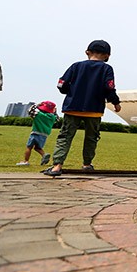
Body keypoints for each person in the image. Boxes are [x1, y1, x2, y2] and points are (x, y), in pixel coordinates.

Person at [43, 40, 121, 177]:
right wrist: (115, 102)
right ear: (107, 55)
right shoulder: (106, 69)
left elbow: (61, 84)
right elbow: (109, 87)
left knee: (65, 136)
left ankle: (57, 166)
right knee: (91, 137)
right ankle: (87, 164)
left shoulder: (76, 66)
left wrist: (71, 92)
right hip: (94, 109)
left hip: (73, 106)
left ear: (87, 52)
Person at [16, 101, 57, 166]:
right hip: (44, 135)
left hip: (35, 133)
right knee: (37, 147)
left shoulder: (38, 114)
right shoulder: (52, 117)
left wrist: (38, 104)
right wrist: (54, 111)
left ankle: (26, 161)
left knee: (29, 147)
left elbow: (30, 110)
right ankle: (44, 155)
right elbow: (56, 117)